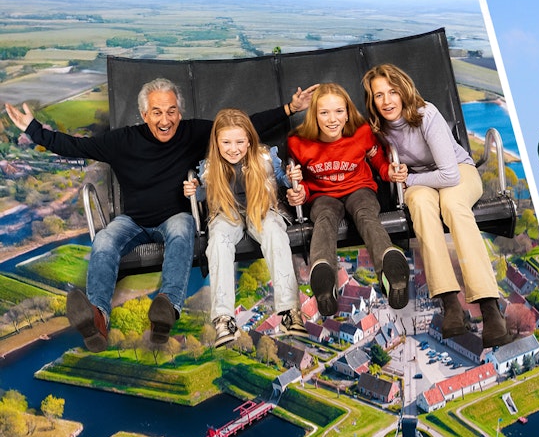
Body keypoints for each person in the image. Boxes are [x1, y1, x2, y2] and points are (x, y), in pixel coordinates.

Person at [3, 79, 315, 352]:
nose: (165, 120)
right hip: (133, 221)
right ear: (144, 114)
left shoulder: (194, 132)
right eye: (156, 112)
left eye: (170, 112)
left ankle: (167, 308)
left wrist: (289, 108)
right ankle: (97, 318)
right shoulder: (122, 141)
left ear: (179, 112)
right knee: (105, 241)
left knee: (181, 230)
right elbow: (76, 146)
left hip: (174, 216)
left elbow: (241, 128)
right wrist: (34, 130)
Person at [362, 63, 513, 348]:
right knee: (418, 203)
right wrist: (398, 178)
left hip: (457, 170)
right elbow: (380, 161)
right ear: (372, 101)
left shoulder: (425, 115)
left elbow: (450, 175)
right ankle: (449, 303)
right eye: (378, 95)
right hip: (420, 185)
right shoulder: (378, 129)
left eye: (392, 92)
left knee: (454, 204)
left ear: (403, 90)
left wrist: (410, 179)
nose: (387, 101)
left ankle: (489, 306)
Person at [183, 109, 306, 347]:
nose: (233, 148)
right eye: (226, 142)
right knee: (218, 241)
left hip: (261, 210)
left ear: (249, 140)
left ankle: (290, 311)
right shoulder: (210, 168)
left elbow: (282, 178)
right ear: (217, 144)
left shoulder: (265, 158)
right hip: (227, 214)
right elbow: (202, 192)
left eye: (240, 142)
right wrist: (193, 190)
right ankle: (224, 318)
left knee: (275, 235)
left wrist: (293, 178)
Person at [284, 83, 410, 314]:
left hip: (359, 188)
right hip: (322, 195)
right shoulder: (298, 143)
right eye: (324, 113)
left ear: (348, 112)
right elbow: (299, 181)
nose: (333, 120)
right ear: (314, 115)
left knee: (365, 214)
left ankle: (389, 267)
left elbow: (379, 161)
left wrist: (389, 173)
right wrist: (299, 193)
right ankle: (324, 278)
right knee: (324, 218)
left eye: (339, 111)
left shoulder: (361, 133)